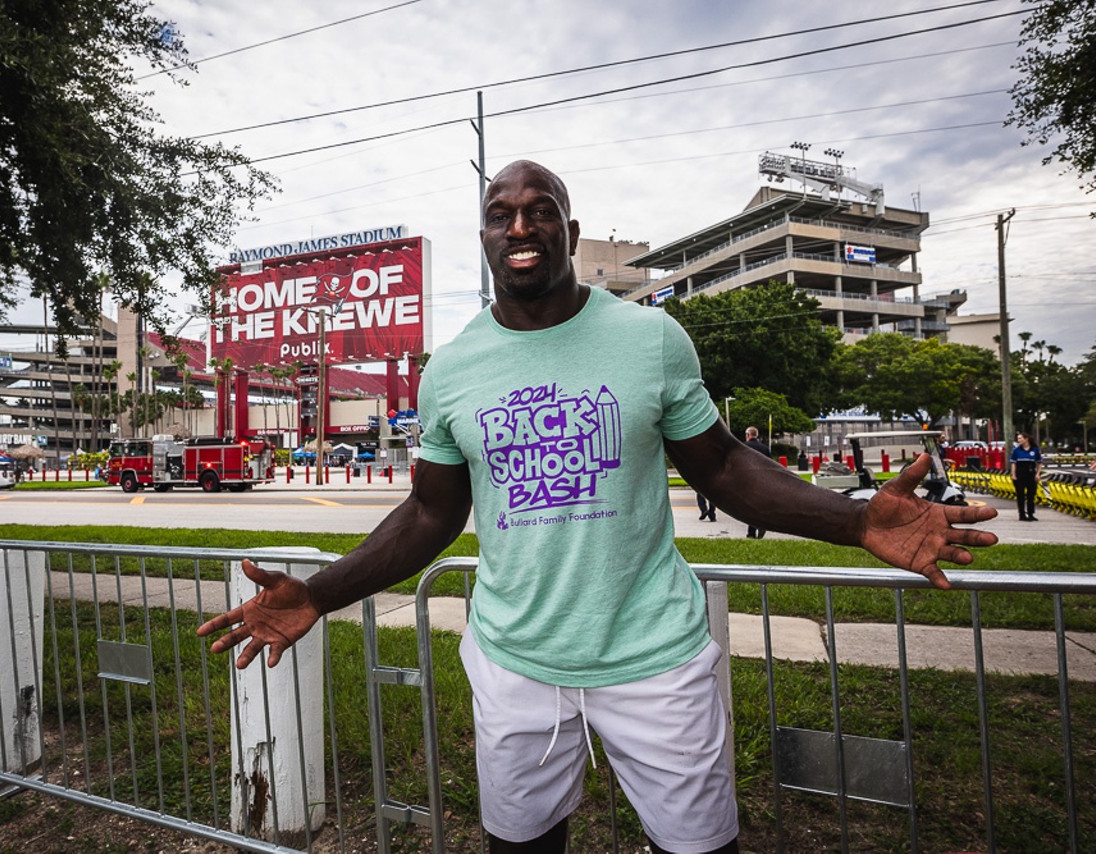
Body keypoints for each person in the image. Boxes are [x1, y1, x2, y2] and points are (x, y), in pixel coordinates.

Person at [197, 161, 998, 854]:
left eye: (540, 210)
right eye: (500, 213)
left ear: (568, 231)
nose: (521, 224)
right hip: (515, 664)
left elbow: (722, 467)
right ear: (484, 238)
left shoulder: (649, 339)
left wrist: (853, 519)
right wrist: (322, 591)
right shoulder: (450, 371)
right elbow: (431, 515)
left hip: (655, 660)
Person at [742, 427, 770, 539]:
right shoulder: (765, 448)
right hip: (762, 480)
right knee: (759, 505)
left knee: (750, 506)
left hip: (748, 480)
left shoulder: (743, 446)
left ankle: (752, 532)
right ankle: (760, 525)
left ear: (748, 435)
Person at [1010, 431, 1042, 521]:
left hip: (1031, 473)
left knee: (1031, 495)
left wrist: (1038, 474)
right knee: (1020, 495)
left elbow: (1039, 463)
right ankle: (1022, 514)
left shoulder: (1035, 450)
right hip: (1020, 474)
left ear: (1026, 439)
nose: (1018, 440)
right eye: (1018, 438)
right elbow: (1013, 463)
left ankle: (1031, 514)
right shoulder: (1016, 450)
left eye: (1020, 438)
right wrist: (1013, 474)